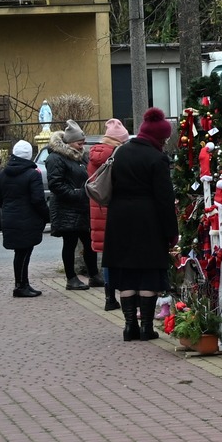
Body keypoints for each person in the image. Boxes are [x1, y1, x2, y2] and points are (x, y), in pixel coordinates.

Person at [103, 107, 178, 341]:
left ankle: (128, 327)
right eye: (164, 138)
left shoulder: (120, 152)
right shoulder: (157, 158)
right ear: (158, 137)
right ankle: (146, 327)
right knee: (148, 274)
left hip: (119, 219)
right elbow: (165, 200)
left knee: (126, 274)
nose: (165, 142)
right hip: (149, 220)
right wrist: (171, 232)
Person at [0, 140, 51, 298]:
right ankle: (21, 285)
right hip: (28, 218)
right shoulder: (32, 174)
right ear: (29, 156)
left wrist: (8, 208)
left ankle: (22, 283)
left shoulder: (3, 174)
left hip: (10, 217)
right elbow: (38, 200)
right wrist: (46, 216)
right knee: (25, 252)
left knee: (20, 253)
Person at [45, 123, 93, 291]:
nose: (83, 145)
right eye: (79, 142)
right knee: (70, 242)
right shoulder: (56, 158)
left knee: (89, 242)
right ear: (69, 142)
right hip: (66, 208)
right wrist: (78, 194)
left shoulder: (81, 156)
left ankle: (94, 275)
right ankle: (71, 278)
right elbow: (56, 184)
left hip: (81, 206)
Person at [87, 118, 128, 311]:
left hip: (98, 208)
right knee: (118, 255)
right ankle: (118, 293)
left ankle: (108, 296)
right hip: (113, 210)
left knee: (106, 257)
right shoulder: (116, 156)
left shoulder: (94, 154)